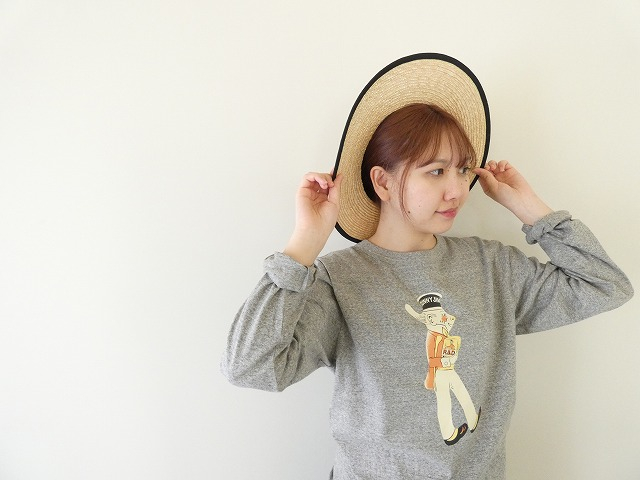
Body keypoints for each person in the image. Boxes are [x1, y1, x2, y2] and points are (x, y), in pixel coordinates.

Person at [220, 54, 633, 479]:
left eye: (463, 170)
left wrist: (529, 208)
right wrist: (303, 246)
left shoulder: (491, 268)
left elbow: (606, 285)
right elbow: (250, 368)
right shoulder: (338, 281)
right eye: (435, 172)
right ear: (382, 181)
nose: (457, 190)